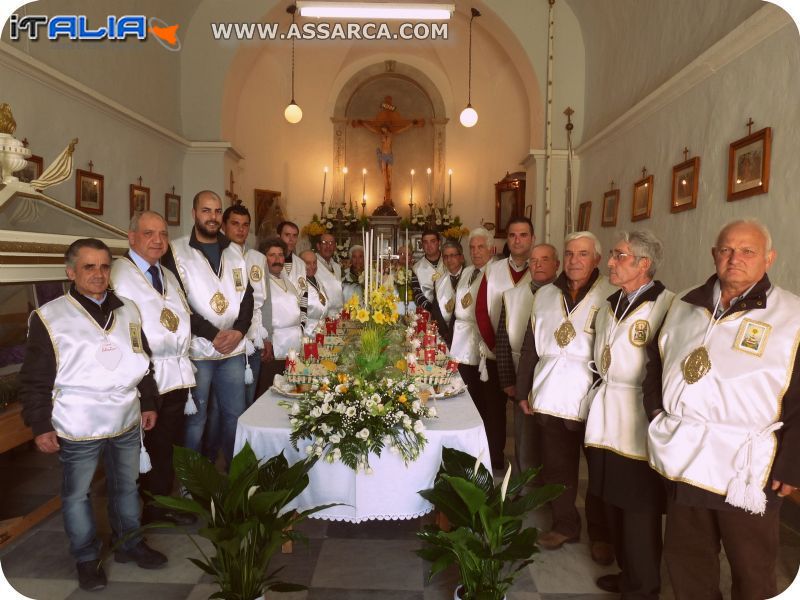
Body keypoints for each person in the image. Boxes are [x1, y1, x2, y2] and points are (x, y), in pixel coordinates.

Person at [644, 219, 800, 600]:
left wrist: (793, 462)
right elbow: (655, 365)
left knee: (752, 567)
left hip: (747, 466)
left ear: (769, 258)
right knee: (688, 561)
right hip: (686, 455)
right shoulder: (684, 305)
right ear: (714, 255)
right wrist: (657, 415)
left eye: (748, 251)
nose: (735, 259)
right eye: (727, 250)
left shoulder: (792, 315)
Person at [19, 238, 167, 592]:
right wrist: (40, 424)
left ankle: (130, 543)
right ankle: (86, 558)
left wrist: (148, 402)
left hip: (127, 417)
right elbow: (35, 379)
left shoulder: (128, 309)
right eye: (89, 267)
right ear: (71, 272)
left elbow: (142, 360)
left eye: (104, 266)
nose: (99, 274)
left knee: (126, 487)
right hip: (77, 422)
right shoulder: (50, 317)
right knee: (77, 495)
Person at [583, 231, 674, 597]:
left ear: (643, 264)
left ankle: (644, 584)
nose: (610, 263)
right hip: (607, 414)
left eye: (620, 256)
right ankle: (627, 573)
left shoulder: (666, 306)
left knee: (638, 508)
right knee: (611, 499)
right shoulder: (610, 304)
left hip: (637, 417)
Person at [517, 231, 615, 563]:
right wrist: (523, 389)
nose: (574, 260)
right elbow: (531, 344)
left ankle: (602, 533)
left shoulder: (611, 293)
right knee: (557, 465)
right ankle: (565, 524)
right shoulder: (546, 293)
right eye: (570, 253)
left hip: (594, 393)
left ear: (597, 259)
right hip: (550, 389)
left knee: (600, 471)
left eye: (583, 254)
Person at [110, 212, 196, 526]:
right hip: (144, 378)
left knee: (167, 446)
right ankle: (142, 512)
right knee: (145, 448)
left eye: (162, 233)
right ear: (131, 237)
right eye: (149, 233)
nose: (158, 240)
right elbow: (123, 333)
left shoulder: (167, 274)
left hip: (175, 376)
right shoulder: (119, 275)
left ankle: (160, 504)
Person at [163, 190, 254, 468]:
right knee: (196, 420)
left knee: (234, 415)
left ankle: (235, 476)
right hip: (199, 351)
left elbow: (247, 298)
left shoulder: (235, 252)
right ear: (194, 214)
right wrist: (214, 335)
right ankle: (193, 484)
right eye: (206, 210)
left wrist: (238, 331)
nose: (212, 217)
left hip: (233, 351)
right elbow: (176, 304)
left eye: (216, 211)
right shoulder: (175, 252)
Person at [475, 217, 534, 469]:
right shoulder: (493, 269)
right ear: (506, 239)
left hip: (532, 358)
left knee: (528, 416)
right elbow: (480, 311)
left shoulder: (541, 267)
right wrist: (498, 352)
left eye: (523, 235)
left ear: (531, 238)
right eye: (512, 235)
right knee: (494, 414)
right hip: (495, 354)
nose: (517, 240)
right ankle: (494, 459)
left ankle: (528, 467)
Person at [496, 243, 559, 476]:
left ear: (556, 264)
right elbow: (502, 340)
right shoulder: (512, 296)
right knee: (524, 435)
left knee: (551, 440)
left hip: (553, 377)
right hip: (521, 375)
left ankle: (549, 487)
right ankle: (525, 484)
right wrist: (507, 381)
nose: (538, 264)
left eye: (545, 259)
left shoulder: (565, 295)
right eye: (533, 260)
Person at [221, 204, 269, 407]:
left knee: (250, 398)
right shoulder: (218, 257)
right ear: (224, 226)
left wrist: (267, 337)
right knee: (225, 405)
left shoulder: (256, 258)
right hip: (228, 339)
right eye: (235, 224)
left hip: (253, 337)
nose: (241, 229)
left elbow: (265, 301)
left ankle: (246, 439)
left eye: (245, 225)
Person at [450, 228, 495, 432]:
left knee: (482, 397)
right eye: (472, 247)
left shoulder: (495, 272)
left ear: (491, 249)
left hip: (481, 340)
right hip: (460, 340)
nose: (476, 252)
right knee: (463, 391)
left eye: (481, 247)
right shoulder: (467, 271)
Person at [255, 237, 303, 397]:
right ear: (263, 258)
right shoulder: (260, 282)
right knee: (271, 390)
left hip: (294, 344)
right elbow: (258, 311)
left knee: (291, 389)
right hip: (274, 345)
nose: (277, 260)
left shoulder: (287, 280)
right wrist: (265, 339)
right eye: (272, 255)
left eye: (281, 255)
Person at [431, 240, 465, 346]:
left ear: (461, 257)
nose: (449, 260)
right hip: (445, 337)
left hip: (465, 336)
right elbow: (436, 311)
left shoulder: (470, 277)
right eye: (445, 256)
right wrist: (445, 334)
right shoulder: (439, 282)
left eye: (453, 255)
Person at [411, 229, 445, 315]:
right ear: (422, 245)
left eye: (432, 241)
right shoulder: (416, 268)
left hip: (450, 311)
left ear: (439, 242)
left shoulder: (449, 261)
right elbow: (417, 294)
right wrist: (433, 310)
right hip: (428, 313)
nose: (429, 246)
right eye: (425, 242)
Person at [299, 249, 329, 336]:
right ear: (300, 264)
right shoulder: (299, 284)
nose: (312, 266)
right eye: (308, 263)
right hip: (306, 334)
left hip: (321, 331)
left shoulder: (318, 280)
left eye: (314, 262)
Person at [315, 233, 344, 315]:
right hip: (321, 314)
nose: (328, 246)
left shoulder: (337, 266)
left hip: (337, 314)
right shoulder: (312, 265)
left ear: (335, 247)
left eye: (331, 243)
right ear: (318, 246)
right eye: (324, 243)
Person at [278, 221, 307, 289]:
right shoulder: (268, 261)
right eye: (287, 235)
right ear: (279, 237)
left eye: (294, 236)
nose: (291, 239)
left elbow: (304, 292)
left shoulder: (301, 264)